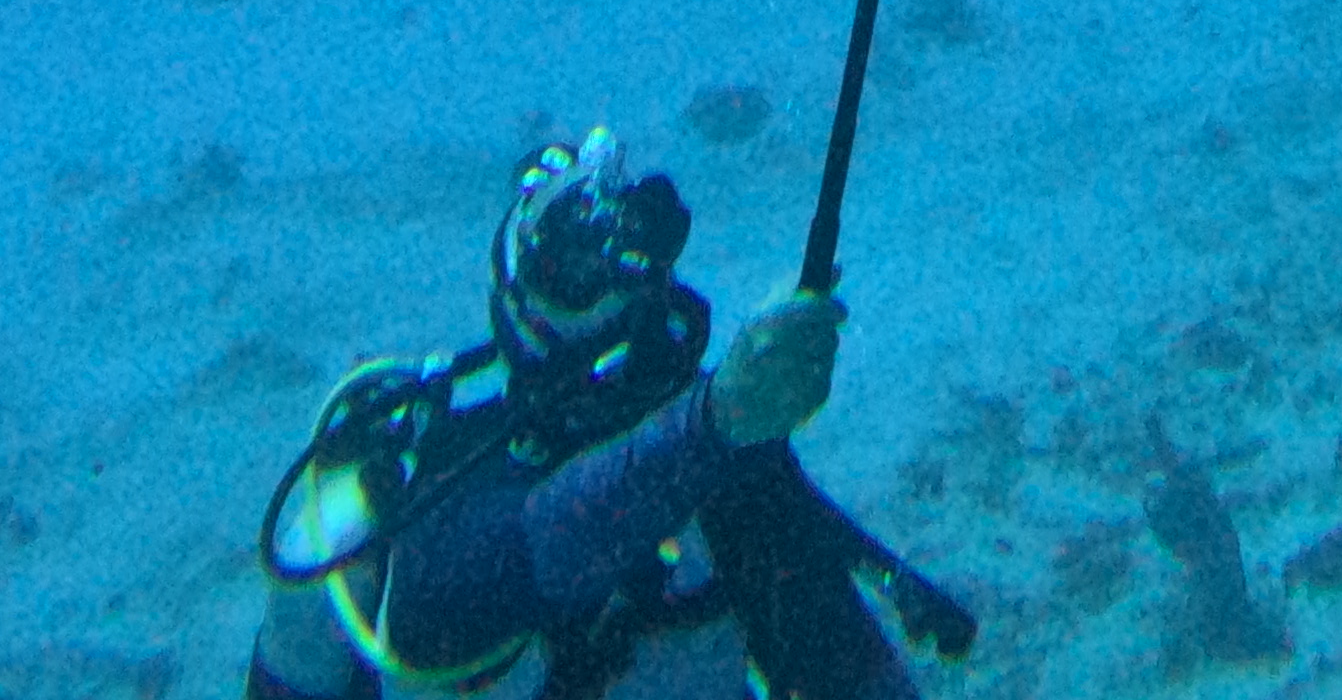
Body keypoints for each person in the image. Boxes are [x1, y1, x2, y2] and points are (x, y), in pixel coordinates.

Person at [249, 132, 954, 700]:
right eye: (578, 270)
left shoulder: (728, 481)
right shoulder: (417, 502)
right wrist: (713, 421)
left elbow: (855, 674)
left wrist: (715, 426)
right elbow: (486, 580)